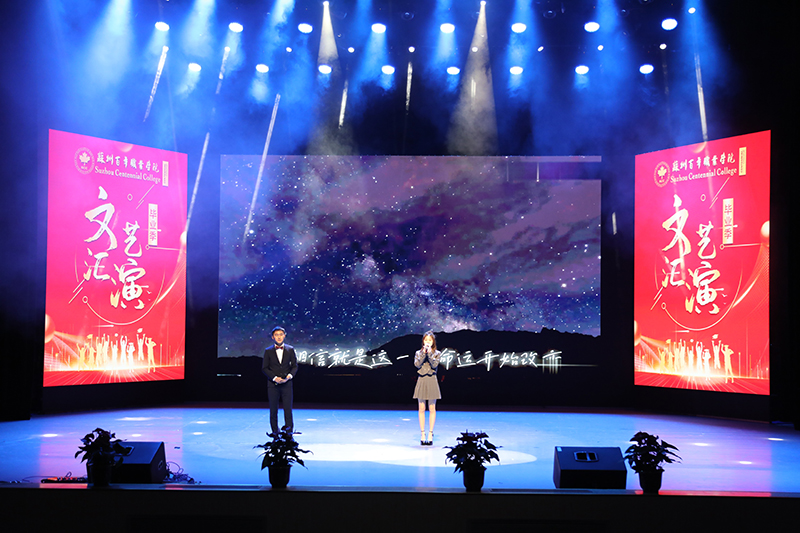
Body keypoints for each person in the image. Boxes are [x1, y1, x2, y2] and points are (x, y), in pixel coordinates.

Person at [262, 326, 299, 436]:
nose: (279, 337)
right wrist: (274, 378)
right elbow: (264, 368)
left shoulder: (290, 349)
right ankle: (275, 432)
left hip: (287, 384)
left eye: (281, 334)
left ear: (284, 336)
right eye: (276, 335)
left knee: (288, 409)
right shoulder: (268, 351)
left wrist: (289, 376)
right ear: (273, 337)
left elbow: (294, 366)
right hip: (273, 384)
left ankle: (289, 433)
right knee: (273, 410)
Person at [413, 331, 441, 446]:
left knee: (432, 408)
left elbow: (434, 365)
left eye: (430, 340)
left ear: (433, 341)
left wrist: (429, 354)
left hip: (432, 379)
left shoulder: (437, 353)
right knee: (421, 408)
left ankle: (430, 433)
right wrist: (424, 354)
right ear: (423, 341)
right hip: (422, 379)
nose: (428, 342)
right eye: (426, 340)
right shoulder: (418, 353)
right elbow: (417, 364)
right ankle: (422, 433)